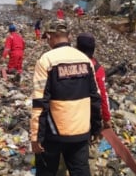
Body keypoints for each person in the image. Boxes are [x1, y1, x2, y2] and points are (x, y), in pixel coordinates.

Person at [30, 19, 102, 176]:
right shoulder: (85, 60)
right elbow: (95, 98)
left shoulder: (46, 60)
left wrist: (36, 137)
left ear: (49, 36)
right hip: (80, 131)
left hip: (53, 134)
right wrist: (96, 127)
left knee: (47, 172)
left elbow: (40, 102)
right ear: (69, 36)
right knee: (81, 171)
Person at [76, 33, 112, 129]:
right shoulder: (96, 68)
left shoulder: (69, 63)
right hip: (88, 114)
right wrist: (106, 118)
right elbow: (103, 94)